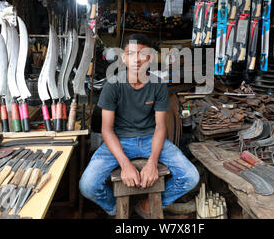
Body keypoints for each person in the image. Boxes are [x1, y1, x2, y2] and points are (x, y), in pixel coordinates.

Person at [79, 34, 199, 218]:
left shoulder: (157, 84)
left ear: (150, 57)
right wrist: (125, 164)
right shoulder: (113, 85)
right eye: (131, 54)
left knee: (191, 177)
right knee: (87, 185)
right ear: (124, 58)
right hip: (119, 141)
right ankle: (115, 208)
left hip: (151, 139)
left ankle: (147, 206)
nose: (137, 59)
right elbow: (106, 129)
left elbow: (160, 127)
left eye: (142, 54)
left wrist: (152, 162)